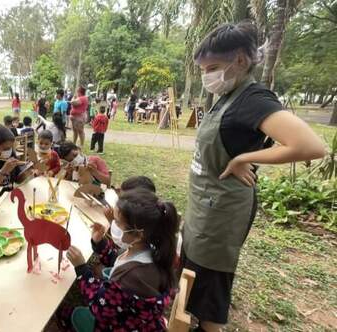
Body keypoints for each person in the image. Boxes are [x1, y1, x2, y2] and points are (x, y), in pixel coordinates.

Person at [182, 22, 326, 332]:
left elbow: (311, 146)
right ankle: (188, 321)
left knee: (212, 282)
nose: (207, 76)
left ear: (241, 62)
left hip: (221, 210)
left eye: (213, 67)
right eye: (204, 69)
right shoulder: (228, 94)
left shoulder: (253, 99)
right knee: (195, 272)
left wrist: (245, 158)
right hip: (203, 202)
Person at [61, 189, 179, 331]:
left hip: (120, 325)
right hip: (135, 317)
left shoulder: (131, 277)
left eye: (117, 222)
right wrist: (100, 244)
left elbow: (99, 308)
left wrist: (81, 268)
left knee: (65, 313)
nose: (113, 224)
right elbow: (118, 259)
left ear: (138, 234)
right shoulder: (150, 249)